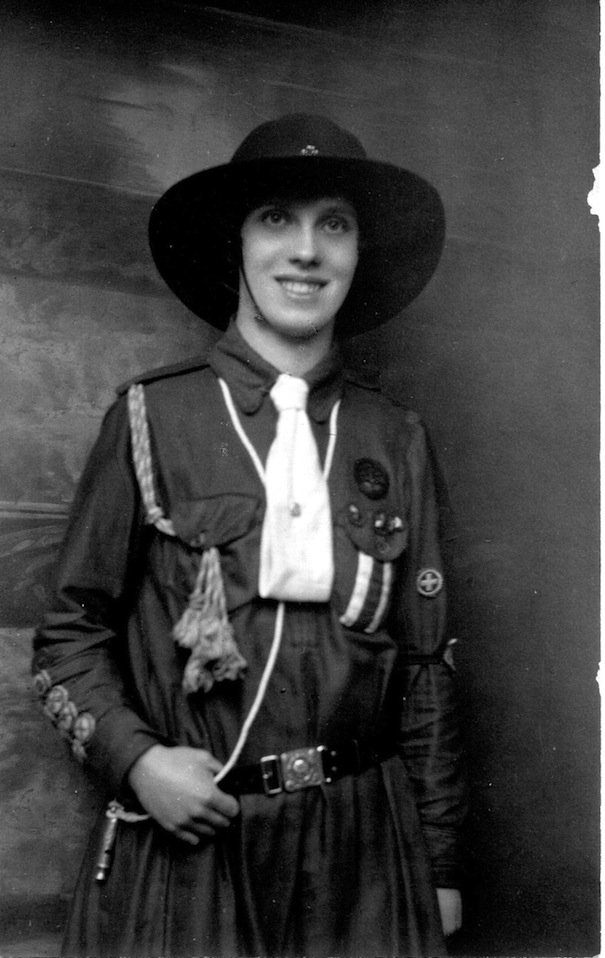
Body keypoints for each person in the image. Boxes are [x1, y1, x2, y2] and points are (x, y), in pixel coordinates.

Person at [33, 113, 467, 958]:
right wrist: (138, 764)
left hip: (365, 853)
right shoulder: (152, 415)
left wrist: (440, 863)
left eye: (332, 225)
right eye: (277, 220)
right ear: (236, 244)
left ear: (356, 254)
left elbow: (427, 664)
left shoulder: (396, 437)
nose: (305, 251)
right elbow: (67, 636)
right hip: (195, 847)